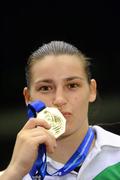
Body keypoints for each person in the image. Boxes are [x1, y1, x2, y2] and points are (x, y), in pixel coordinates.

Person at [0, 41, 120, 180]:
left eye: (72, 85)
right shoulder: (13, 175)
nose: (59, 99)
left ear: (92, 90)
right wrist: (15, 171)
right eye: (45, 88)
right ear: (28, 98)